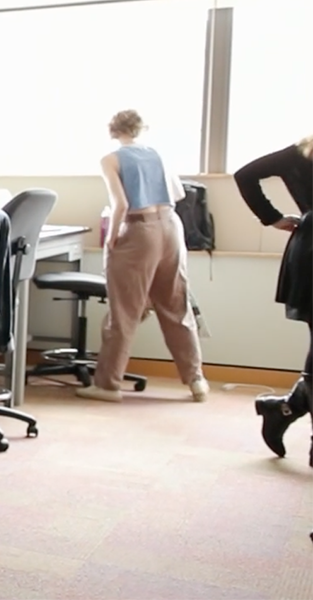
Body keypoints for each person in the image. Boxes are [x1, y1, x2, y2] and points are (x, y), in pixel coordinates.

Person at [75, 110, 207, 403]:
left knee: (124, 312)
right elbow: (177, 194)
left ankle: (107, 385)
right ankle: (196, 381)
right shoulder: (157, 154)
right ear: (140, 128)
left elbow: (120, 203)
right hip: (171, 228)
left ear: (113, 130)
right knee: (176, 306)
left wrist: (111, 238)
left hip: (139, 231)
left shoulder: (110, 159)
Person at [235, 134, 313, 465]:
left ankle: (284, 408)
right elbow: (244, 175)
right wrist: (273, 218)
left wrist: (274, 217)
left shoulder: (299, 152)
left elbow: (245, 175)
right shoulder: (301, 151)